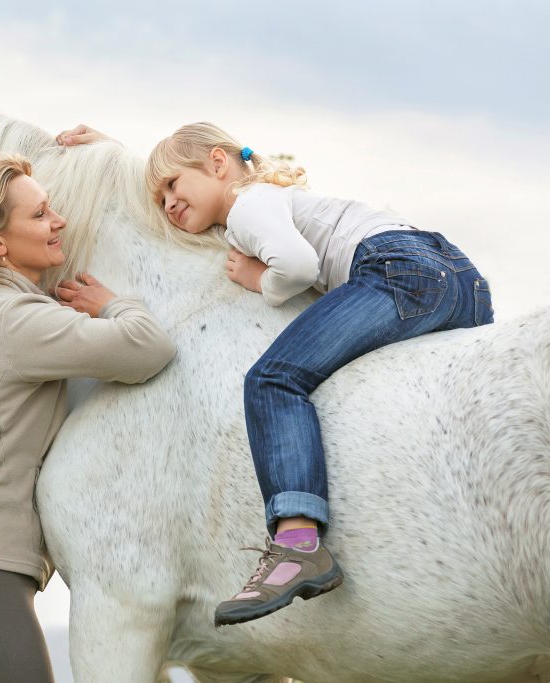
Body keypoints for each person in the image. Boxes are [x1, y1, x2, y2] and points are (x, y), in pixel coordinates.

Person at [57, 122, 495, 626]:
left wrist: (259, 278)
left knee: (273, 380)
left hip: (398, 271)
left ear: (219, 163)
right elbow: (189, 175)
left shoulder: (248, 206)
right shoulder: (273, 200)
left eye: (173, 186)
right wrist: (114, 151)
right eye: (159, 200)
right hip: (463, 281)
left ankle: (296, 541)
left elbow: (298, 266)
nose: (169, 205)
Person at [0, 153, 176, 681]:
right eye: (40, 214)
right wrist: (114, 306)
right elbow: (149, 348)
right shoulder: (13, 320)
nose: (60, 223)